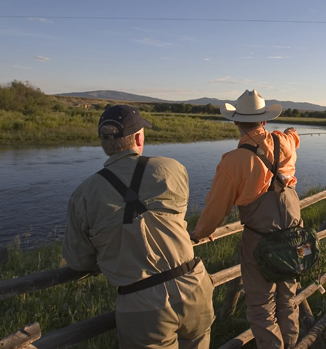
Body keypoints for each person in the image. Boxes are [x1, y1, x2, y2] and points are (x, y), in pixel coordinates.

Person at [62, 105, 214, 349]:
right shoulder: (172, 168)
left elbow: (79, 261)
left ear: (104, 142)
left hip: (141, 301)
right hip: (193, 284)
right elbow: (178, 217)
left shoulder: (83, 194)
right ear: (139, 138)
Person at [191, 90, 301, 349]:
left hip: (260, 241)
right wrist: (292, 132)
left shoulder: (233, 161)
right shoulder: (283, 142)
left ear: (236, 122)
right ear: (264, 121)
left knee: (262, 307)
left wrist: (200, 232)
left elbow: (217, 207)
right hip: (295, 235)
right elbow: (292, 138)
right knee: (288, 298)